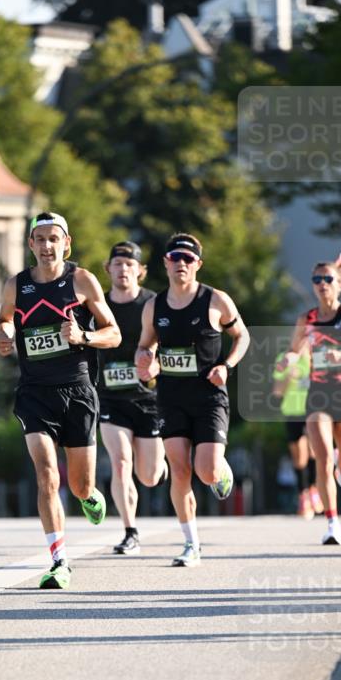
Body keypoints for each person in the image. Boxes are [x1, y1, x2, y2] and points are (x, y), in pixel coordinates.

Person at [0, 211, 121, 589]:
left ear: (67, 243)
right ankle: (59, 560)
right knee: (47, 475)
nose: (47, 246)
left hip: (79, 393)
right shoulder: (17, 285)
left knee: (80, 485)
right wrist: (2, 334)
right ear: (31, 244)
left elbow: (113, 333)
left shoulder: (81, 280)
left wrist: (83, 336)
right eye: (40, 239)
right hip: (35, 394)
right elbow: (3, 319)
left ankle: (89, 494)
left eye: (54, 239)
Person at [135, 232, 250, 567]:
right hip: (170, 396)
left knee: (206, 470)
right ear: (166, 263)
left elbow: (242, 335)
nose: (181, 264)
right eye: (175, 258)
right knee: (180, 468)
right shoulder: (153, 307)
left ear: (198, 264)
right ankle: (191, 544)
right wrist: (145, 362)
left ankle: (219, 471)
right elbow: (145, 347)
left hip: (209, 397)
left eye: (188, 259)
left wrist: (227, 366)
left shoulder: (215, 300)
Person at [276, 253, 341, 546]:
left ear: (340, 285)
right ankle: (332, 523)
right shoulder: (306, 319)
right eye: (317, 279)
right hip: (319, 395)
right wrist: (288, 359)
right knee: (322, 457)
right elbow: (295, 350)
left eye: (328, 279)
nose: (322, 284)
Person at [97, 241, 168, 555]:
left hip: (149, 398)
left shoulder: (153, 303)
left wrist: (156, 364)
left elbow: (170, 346)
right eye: (117, 263)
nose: (123, 269)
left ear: (140, 271)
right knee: (120, 462)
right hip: (111, 397)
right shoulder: (97, 305)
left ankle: (159, 467)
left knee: (149, 477)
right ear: (108, 268)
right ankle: (130, 530)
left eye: (129, 264)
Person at [271, 349, 323, 519]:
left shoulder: (317, 357)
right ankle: (303, 494)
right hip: (293, 412)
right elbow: (277, 392)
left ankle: (314, 489)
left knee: (314, 450)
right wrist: (288, 377)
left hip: (314, 411)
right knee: (299, 457)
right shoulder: (283, 358)